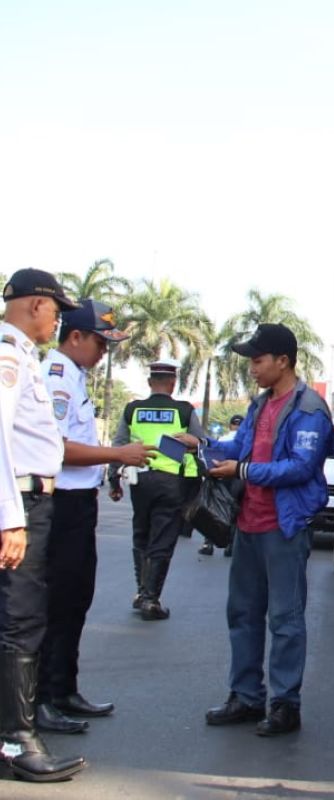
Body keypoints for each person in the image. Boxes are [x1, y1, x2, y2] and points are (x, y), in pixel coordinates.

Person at [203, 323, 334, 737]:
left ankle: (284, 705)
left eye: (258, 361)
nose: (252, 369)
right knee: (241, 613)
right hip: (248, 525)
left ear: (283, 361)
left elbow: (301, 467)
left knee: (285, 619)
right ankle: (245, 697)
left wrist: (242, 470)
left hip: (283, 527)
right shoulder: (260, 406)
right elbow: (238, 447)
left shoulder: (309, 409)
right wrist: (200, 444)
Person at [35, 300, 155, 735]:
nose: (105, 352)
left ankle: (65, 689)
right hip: (59, 504)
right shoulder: (55, 378)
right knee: (55, 603)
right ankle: (42, 699)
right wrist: (116, 453)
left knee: (76, 599)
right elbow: (58, 448)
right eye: (101, 343)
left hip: (80, 503)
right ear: (76, 337)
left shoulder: (75, 376)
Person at [0, 269, 86, 782]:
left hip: (30, 501)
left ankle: (16, 730)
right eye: (56, 309)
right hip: (21, 504)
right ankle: (17, 740)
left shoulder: (20, 353)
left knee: (18, 619)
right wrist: (10, 519)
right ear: (36, 304)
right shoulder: (9, 354)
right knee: (21, 620)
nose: (57, 318)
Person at [108, 360, 204, 621]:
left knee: (141, 532)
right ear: (173, 384)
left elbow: (118, 445)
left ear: (150, 383)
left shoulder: (133, 409)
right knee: (162, 538)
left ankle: (141, 592)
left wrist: (113, 479)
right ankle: (151, 599)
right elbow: (199, 444)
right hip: (172, 482)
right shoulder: (184, 411)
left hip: (140, 480)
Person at [200, 415, 243, 557]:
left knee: (213, 508)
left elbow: (213, 458)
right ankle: (230, 545)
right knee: (234, 510)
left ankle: (208, 543)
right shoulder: (245, 440)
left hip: (222, 475)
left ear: (230, 425)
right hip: (239, 477)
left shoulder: (223, 438)